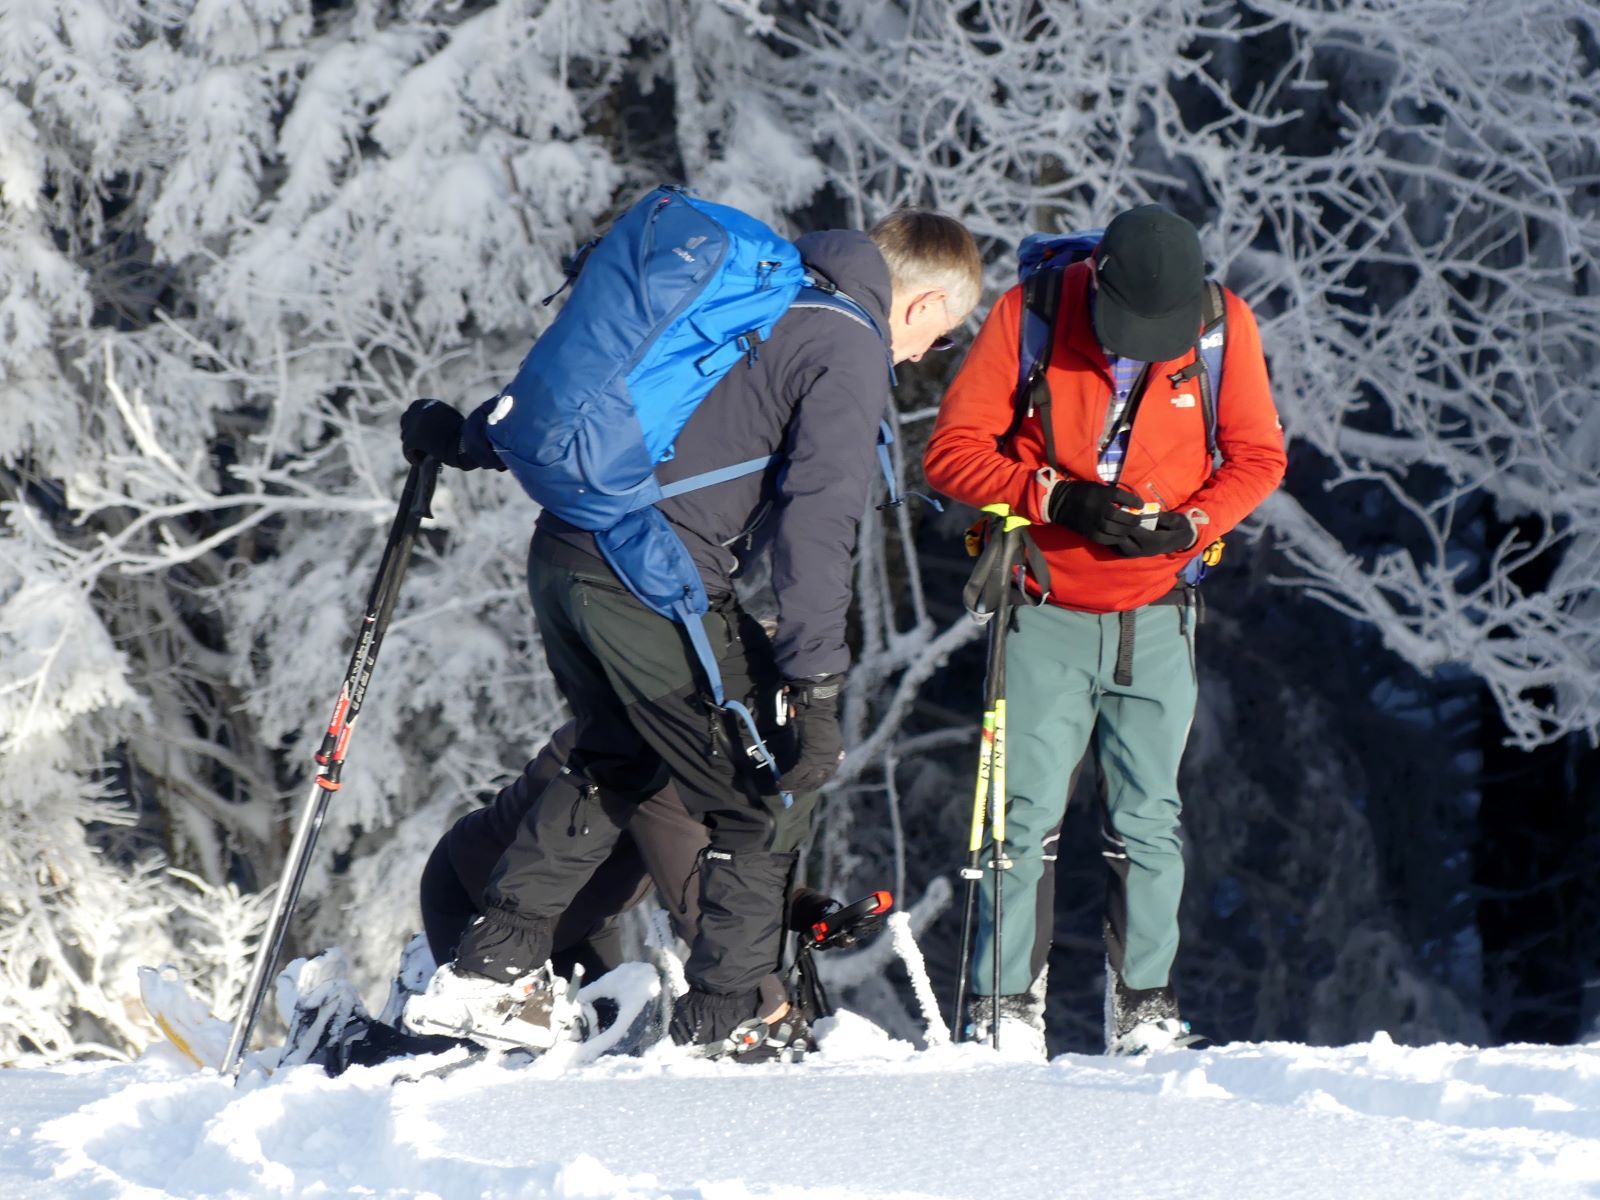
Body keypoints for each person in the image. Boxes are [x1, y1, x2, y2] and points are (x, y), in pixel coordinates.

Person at [396, 207, 983, 1059]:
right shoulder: (848, 340)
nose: (921, 357)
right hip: (647, 571)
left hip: (569, 552)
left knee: (623, 754)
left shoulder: (760, 292)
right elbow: (819, 527)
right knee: (767, 782)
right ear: (924, 305)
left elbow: (611, 383)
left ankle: (495, 971)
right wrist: (815, 686)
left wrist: (468, 437)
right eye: (939, 339)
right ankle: (733, 1019)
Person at [923, 203, 1286, 1055]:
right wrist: (1058, 496)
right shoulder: (1034, 313)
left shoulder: (1221, 328)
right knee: (1018, 822)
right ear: (1099, 287)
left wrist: (1192, 525)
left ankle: (1146, 1011)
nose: (1136, 345)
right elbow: (951, 450)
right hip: (1044, 605)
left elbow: (1259, 455)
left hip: (1159, 613)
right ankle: (1004, 1014)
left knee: (1150, 817)